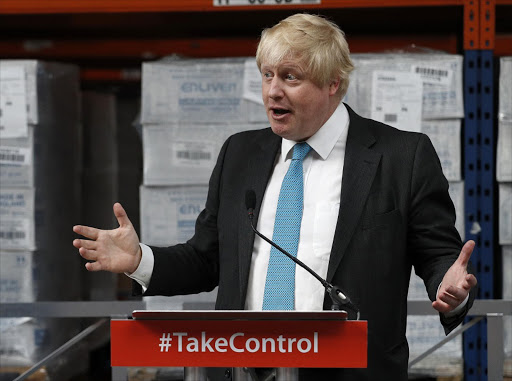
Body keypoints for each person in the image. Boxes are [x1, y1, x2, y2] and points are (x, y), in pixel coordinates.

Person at [73, 13, 477, 380]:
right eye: (267, 75)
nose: (273, 92)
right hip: (242, 368)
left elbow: (437, 254)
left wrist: (450, 287)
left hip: (351, 372)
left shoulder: (401, 156)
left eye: (290, 77)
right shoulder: (240, 153)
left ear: (333, 83)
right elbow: (207, 258)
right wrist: (140, 260)